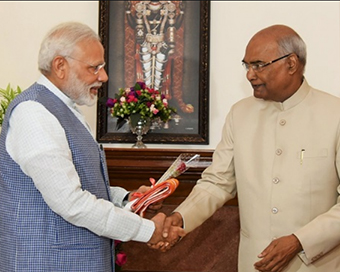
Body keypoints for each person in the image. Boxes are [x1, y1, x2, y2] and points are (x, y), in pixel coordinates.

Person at [0, 21, 184, 272]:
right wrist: (148, 231)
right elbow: (71, 202)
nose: (103, 76)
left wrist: (129, 199)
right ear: (60, 65)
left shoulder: (64, 108)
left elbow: (79, 184)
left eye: (103, 67)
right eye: (94, 67)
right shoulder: (34, 112)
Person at [157, 24, 340, 271]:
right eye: (247, 65)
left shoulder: (334, 114)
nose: (250, 75)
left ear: (291, 64)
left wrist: (300, 241)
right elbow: (217, 183)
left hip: (316, 264)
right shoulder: (240, 114)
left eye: (259, 65)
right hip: (255, 264)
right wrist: (180, 218)